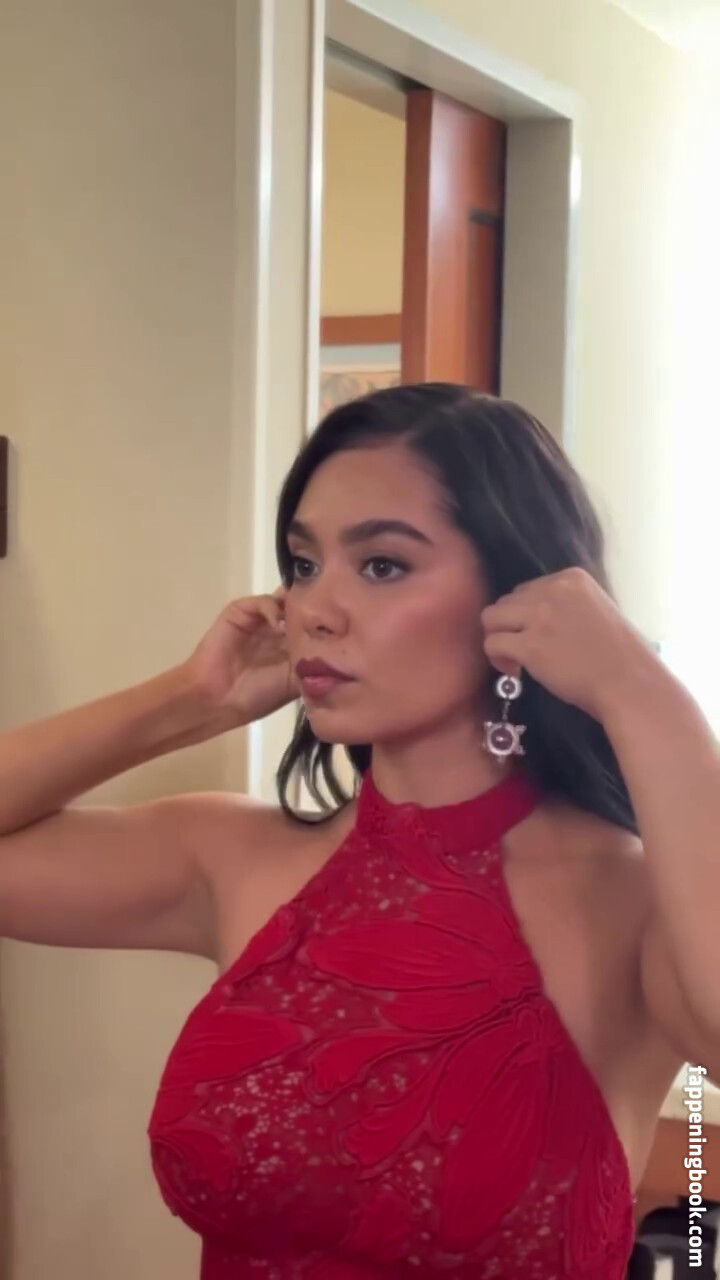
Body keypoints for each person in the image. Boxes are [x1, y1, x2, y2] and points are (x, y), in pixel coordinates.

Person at [1, 384, 718, 1280]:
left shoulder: (632, 896)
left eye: (381, 565)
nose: (315, 609)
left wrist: (646, 699)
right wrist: (189, 700)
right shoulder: (232, 857)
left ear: (522, 596)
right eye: (303, 564)